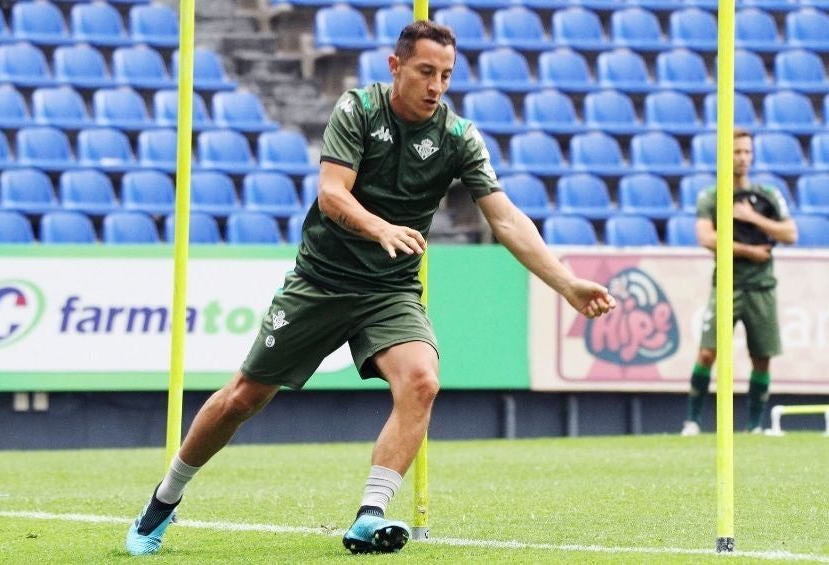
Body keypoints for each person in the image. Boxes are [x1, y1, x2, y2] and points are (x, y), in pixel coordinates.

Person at [125, 21, 616, 556]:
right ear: (395, 66)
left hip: (390, 291)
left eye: (446, 75)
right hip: (321, 282)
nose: (436, 86)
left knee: (422, 381)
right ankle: (163, 501)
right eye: (426, 71)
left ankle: (370, 515)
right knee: (243, 398)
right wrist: (380, 227)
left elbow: (507, 219)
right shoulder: (357, 110)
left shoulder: (458, 136)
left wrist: (566, 283)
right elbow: (333, 194)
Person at [681, 128, 797, 437]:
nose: (743, 158)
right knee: (708, 353)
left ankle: (755, 426)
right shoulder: (712, 196)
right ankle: (692, 422)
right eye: (737, 152)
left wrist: (752, 217)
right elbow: (706, 238)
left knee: (761, 357)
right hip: (727, 283)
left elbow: (790, 233)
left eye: (747, 152)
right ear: (725, 155)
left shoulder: (768, 194)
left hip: (761, 286)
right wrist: (747, 250)